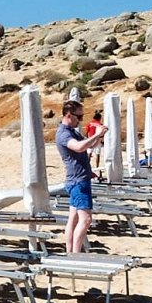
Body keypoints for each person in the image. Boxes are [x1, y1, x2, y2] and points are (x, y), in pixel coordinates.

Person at [53, 100, 106, 255]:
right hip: (78, 181)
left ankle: (70, 253)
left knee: (74, 219)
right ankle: (75, 254)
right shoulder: (64, 133)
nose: (81, 120)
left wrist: (99, 137)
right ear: (69, 115)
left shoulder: (72, 131)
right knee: (86, 219)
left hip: (79, 178)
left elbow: (88, 145)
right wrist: (96, 134)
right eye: (79, 117)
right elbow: (78, 147)